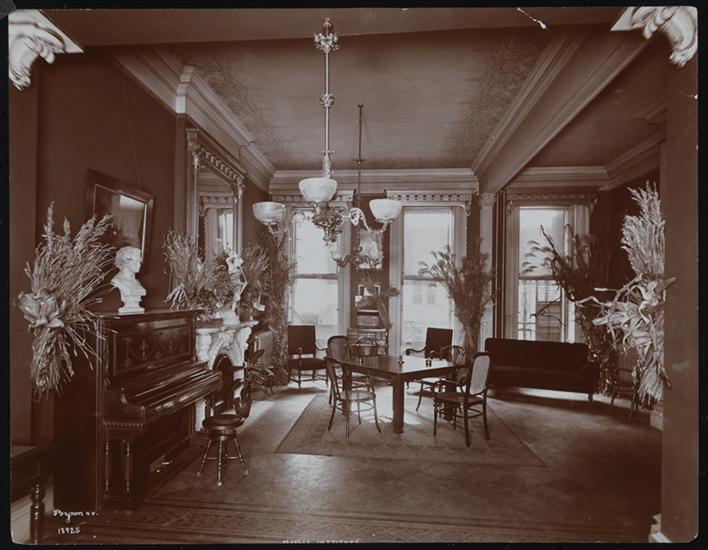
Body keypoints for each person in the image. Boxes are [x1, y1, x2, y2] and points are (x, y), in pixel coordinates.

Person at [111, 246, 146, 314]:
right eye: (136, 262)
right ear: (126, 263)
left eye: (139, 262)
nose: (139, 265)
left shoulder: (137, 282)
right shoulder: (117, 281)